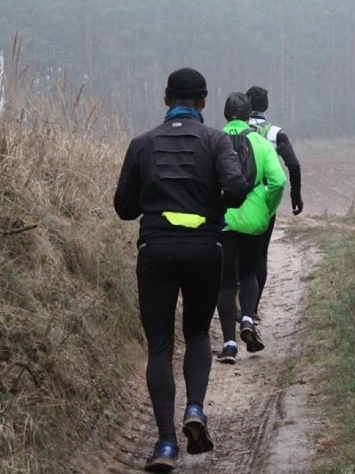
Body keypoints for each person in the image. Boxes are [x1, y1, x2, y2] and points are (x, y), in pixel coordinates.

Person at [113, 68, 250, 472]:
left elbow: (124, 208)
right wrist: (215, 201)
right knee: (195, 333)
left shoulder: (143, 143)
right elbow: (238, 188)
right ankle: (194, 409)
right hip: (206, 249)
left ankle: (166, 445)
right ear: (204, 101)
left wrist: (153, 195)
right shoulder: (216, 140)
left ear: (165, 97)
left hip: (155, 249)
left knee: (159, 346)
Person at [215, 92, 286, 364]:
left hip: (223, 219)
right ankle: (247, 318)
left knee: (225, 282)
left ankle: (229, 344)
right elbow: (278, 181)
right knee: (248, 273)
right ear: (249, 115)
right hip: (255, 218)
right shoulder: (259, 142)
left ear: (225, 114)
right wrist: (266, 208)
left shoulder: (213, 140)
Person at [245, 85, 303, 322]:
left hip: (234, 200)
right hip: (265, 203)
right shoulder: (276, 133)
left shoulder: (230, 130)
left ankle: (235, 308)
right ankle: (253, 309)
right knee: (260, 256)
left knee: (235, 255)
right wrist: (295, 196)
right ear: (266, 106)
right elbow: (294, 165)